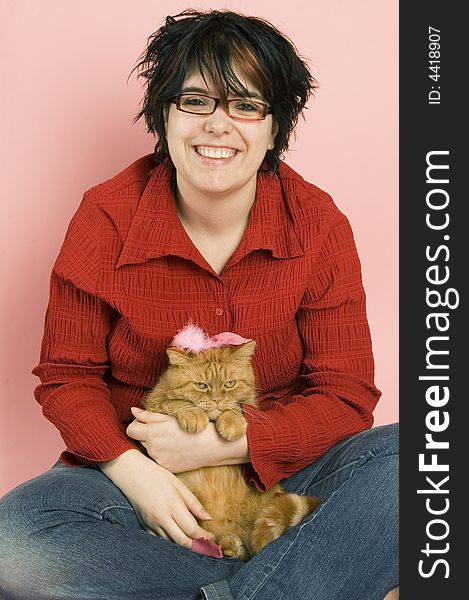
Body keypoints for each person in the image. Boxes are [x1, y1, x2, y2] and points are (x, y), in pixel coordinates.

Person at [0, 9, 398, 600]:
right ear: (164, 114)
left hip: (282, 475)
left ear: (275, 127)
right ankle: (319, 580)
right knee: (13, 540)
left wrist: (227, 443)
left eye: (245, 106)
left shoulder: (317, 224)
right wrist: (136, 474)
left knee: (426, 460)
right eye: (194, 101)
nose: (218, 126)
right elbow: (67, 378)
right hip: (136, 474)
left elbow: (346, 396)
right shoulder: (105, 215)